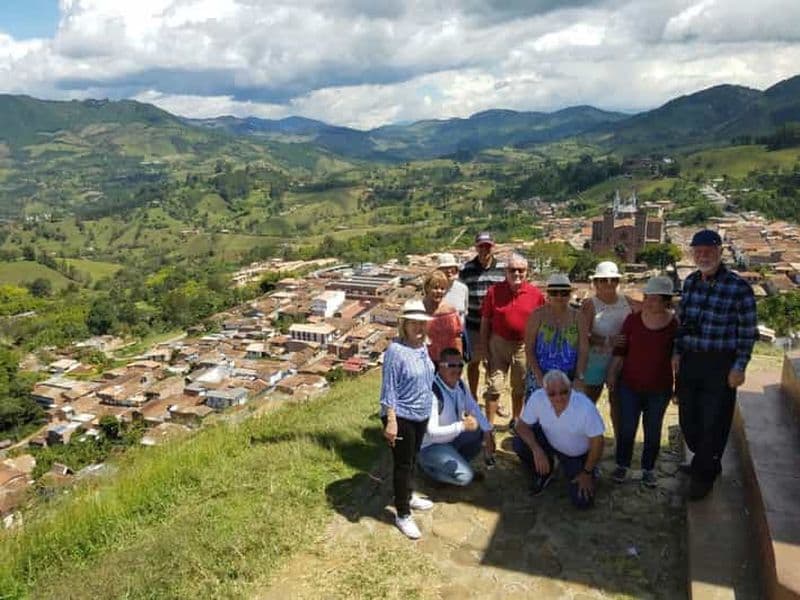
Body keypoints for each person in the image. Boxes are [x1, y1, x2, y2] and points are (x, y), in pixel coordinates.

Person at [673, 229, 757, 501]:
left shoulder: (738, 288)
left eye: (708, 251)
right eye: (698, 252)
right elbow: (683, 322)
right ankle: (706, 459)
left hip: (720, 363)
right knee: (689, 418)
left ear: (720, 252)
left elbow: (747, 332)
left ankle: (703, 476)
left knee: (714, 421)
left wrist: (739, 366)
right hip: (691, 359)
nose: (703, 256)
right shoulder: (691, 282)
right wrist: (677, 352)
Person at [606, 276, 678, 488]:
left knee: (653, 431)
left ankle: (648, 469)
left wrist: (679, 387)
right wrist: (612, 374)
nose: (648, 302)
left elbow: (678, 358)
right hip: (629, 385)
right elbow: (620, 351)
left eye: (654, 299)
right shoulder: (632, 321)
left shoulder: (674, 325)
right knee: (627, 428)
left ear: (666, 301)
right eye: (647, 297)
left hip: (659, 388)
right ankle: (622, 465)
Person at [379, 299, 436, 539]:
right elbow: (388, 389)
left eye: (422, 323)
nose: (419, 328)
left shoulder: (423, 347)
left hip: (420, 414)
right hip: (401, 416)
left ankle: (408, 495)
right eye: (413, 323)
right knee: (402, 465)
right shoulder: (396, 351)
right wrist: (391, 421)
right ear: (404, 325)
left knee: (412, 459)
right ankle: (402, 514)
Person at [512, 369, 605, 509]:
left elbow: (598, 442)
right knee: (519, 443)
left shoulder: (585, 407)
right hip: (550, 441)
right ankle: (544, 473)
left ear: (571, 389)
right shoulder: (538, 398)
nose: (559, 397)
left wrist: (586, 473)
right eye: (552, 394)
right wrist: (537, 450)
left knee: (583, 502)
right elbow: (521, 426)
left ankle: (590, 468)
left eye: (564, 392)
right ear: (544, 391)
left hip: (575, 454)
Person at [480, 254, 545, 426]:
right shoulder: (494, 292)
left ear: (527, 272)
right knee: (494, 386)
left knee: (519, 387)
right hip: (498, 344)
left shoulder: (536, 294)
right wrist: (484, 349)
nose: (517, 273)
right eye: (512, 270)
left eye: (520, 270)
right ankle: (488, 426)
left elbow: (541, 323)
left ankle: (516, 421)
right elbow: (485, 321)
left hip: (523, 346)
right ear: (505, 271)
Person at [418, 347, 495, 486]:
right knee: (466, 478)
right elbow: (432, 432)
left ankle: (456, 465)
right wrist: (462, 426)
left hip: (450, 439)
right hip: (430, 446)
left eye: (460, 365)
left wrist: (488, 431)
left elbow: (473, 407)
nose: (457, 369)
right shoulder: (432, 393)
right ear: (440, 367)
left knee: (480, 430)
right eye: (451, 365)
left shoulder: (460, 384)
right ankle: (429, 471)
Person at [580, 261, 636, 440]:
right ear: (596, 283)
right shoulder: (590, 305)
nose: (609, 284)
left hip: (620, 361)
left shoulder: (628, 302)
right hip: (594, 361)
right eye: (604, 280)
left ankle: (620, 443)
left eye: (613, 280)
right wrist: (606, 340)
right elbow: (583, 334)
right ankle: (584, 440)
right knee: (588, 403)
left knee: (618, 404)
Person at [460, 232, 506, 407]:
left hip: (495, 327)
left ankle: (493, 399)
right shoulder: (466, 269)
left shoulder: (502, 269)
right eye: (481, 246)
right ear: (476, 247)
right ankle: (472, 399)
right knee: (474, 363)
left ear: (493, 247)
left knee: (494, 365)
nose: (484, 250)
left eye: (487, 246)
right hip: (473, 325)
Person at [524, 273, 588, 394]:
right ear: (548, 294)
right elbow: (529, 348)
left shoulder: (578, 317)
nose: (559, 296)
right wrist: (538, 376)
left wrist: (579, 377)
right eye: (554, 292)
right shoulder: (537, 315)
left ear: (569, 294)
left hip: (569, 376)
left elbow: (583, 349)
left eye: (564, 293)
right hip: (540, 375)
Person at [422, 270, 462, 362]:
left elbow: (457, 337)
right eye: (435, 288)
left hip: (446, 360)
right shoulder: (419, 309)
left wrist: (458, 359)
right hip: (424, 359)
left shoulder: (450, 312)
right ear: (427, 288)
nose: (439, 291)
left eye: (442, 288)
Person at [437, 253, 469, 319]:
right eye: (445, 268)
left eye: (451, 267)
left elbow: (465, 312)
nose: (449, 271)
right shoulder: (434, 289)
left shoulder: (463, 288)